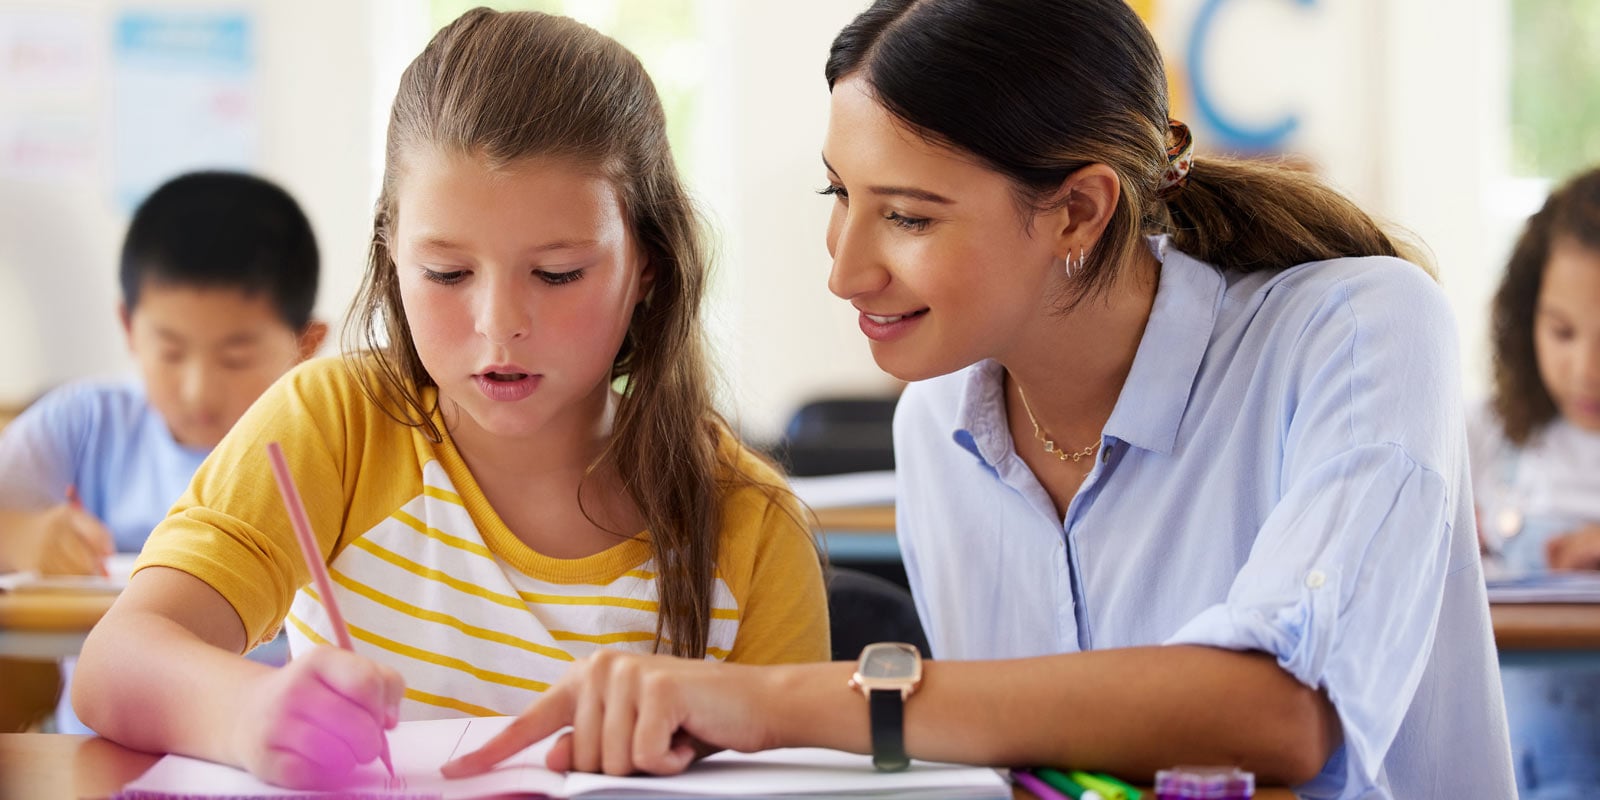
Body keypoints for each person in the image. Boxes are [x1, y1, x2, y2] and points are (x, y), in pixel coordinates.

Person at [442, 2, 1515, 798]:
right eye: (840, 196)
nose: (844, 269)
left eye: (906, 215)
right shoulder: (942, 423)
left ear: (1078, 211)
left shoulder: (1360, 325)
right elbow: (1033, 772)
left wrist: (767, 700)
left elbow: (1274, 717)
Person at [72, 8, 828, 789]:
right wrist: (247, 712)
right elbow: (115, 663)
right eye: (447, 274)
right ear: (391, 254)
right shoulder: (337, 424)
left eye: (559, 273)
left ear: (649, 268)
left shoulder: (755, 531)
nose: (500, 325)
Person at [0, 170, 326, 733]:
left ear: (307, 344)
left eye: (236, 356)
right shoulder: (87, 420)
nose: (199, 388)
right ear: (128, 327)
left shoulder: (329, 443)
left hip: (275, 743)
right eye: (171, 352)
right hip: (100, 743)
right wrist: (20, 535)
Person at [1468, 165, 1600, 798]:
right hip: (1518, 769)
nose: (1586, 368)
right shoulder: (1488, 434)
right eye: (1562, 331)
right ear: (1526, 319)